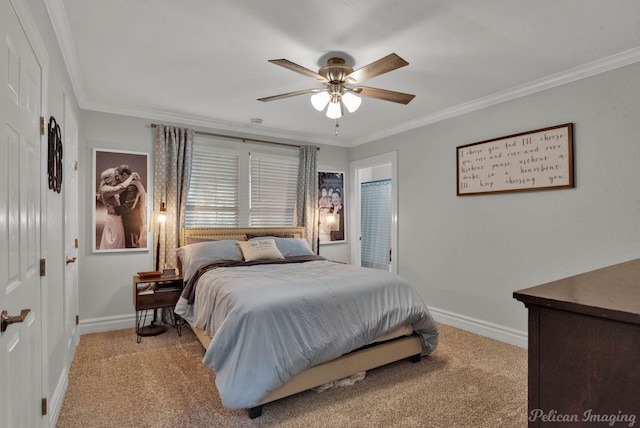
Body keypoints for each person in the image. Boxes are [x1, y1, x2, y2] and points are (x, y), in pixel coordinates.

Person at [97, 168, 135, 249]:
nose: (117, 179)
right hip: (114, 218)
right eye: (115, 177)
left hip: (114, 217)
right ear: (110, 178)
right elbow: (121, 187)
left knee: (113, 240)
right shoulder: (105, 189)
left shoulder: (107, 187)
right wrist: (131, 177)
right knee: (116, 242)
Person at [114, 165, 147, 248]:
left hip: (132, 223)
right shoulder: (136, 183)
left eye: (118, 176)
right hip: (134, 222)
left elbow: (129, 206)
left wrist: (114, 210)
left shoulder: (132, 186)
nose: (118, 179)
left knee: (132, 248)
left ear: (125, 174)